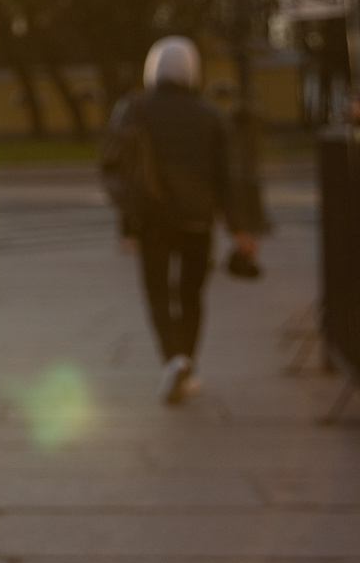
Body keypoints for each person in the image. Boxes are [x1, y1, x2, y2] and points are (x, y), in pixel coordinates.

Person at [101, 36, 260, 405]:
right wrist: (238, 229)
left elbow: (120, 169)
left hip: (151, 221)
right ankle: (188, 362)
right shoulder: (210, 115)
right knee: (191, 295)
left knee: (157, 293)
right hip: (197, 223)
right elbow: (226, 179)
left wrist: (126, 224)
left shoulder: (133, 108)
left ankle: (172, 358)